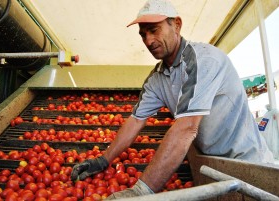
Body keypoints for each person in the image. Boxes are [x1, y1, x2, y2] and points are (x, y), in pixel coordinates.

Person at [71, 0, 274, 199]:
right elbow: (135, 120)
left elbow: (187, 127)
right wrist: (103, 160)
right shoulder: (157, 78)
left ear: (176, 25)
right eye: (143, 34)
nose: (148, 41)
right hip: (212, 163)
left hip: (249, 163)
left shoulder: (203, 60)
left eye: (154, 30)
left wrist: (141, 190)